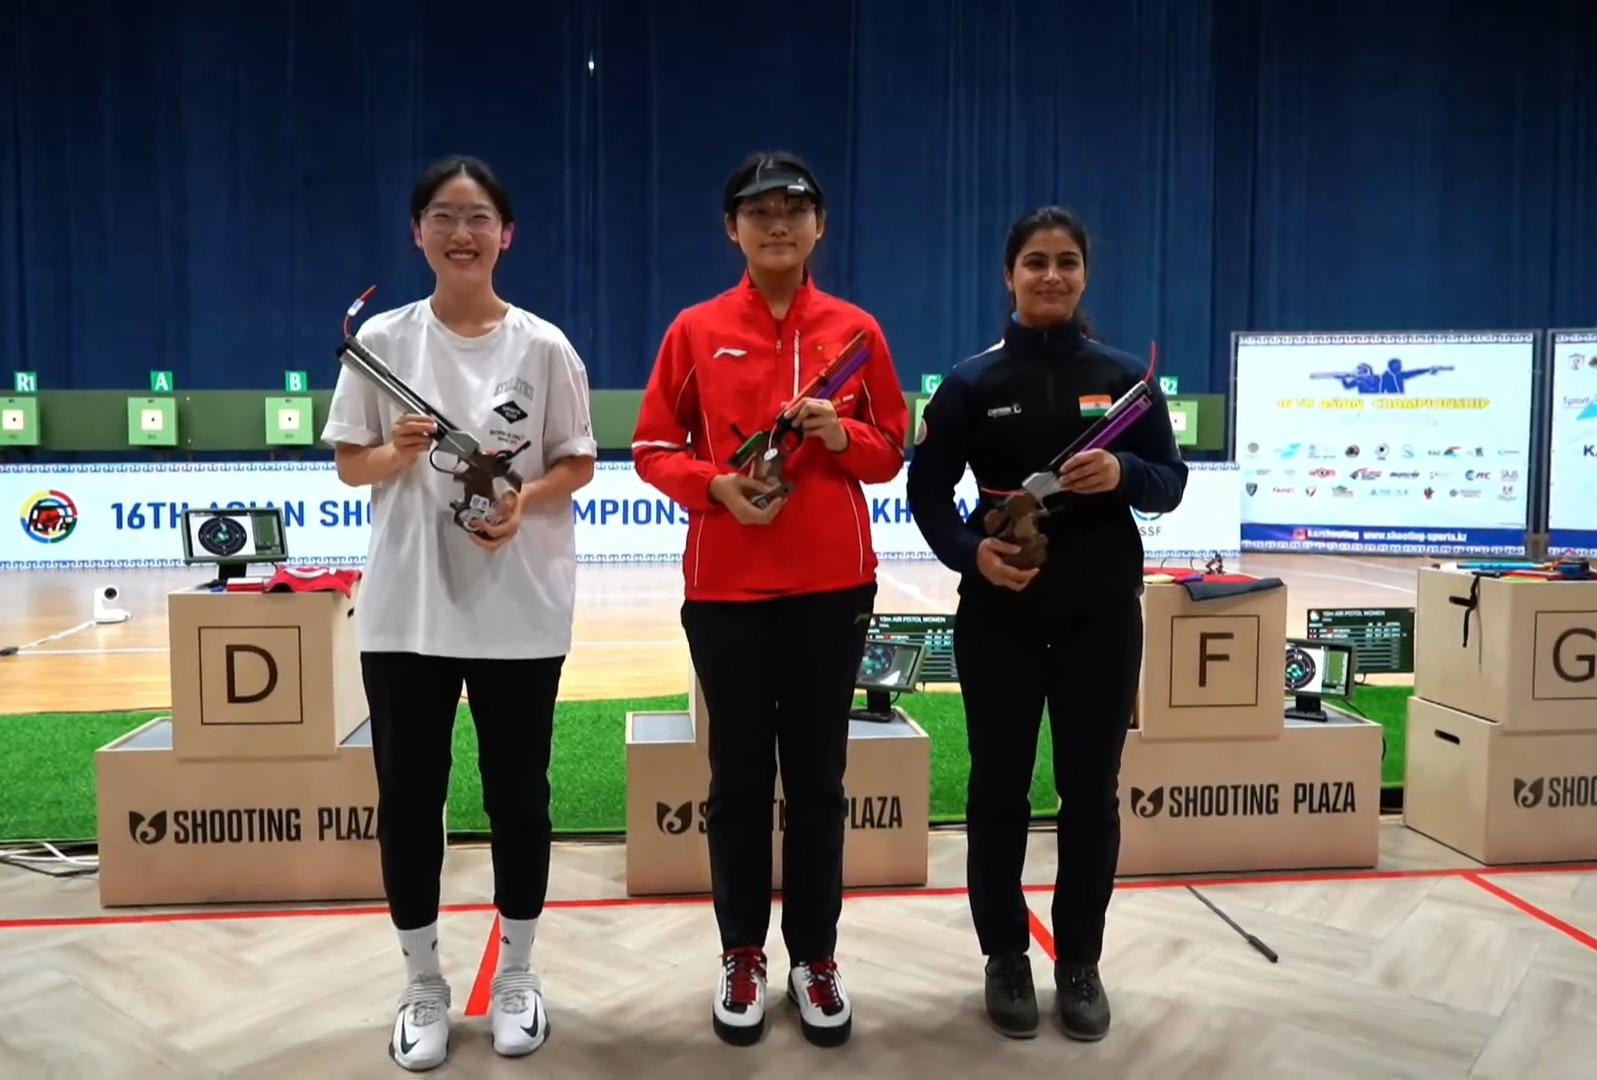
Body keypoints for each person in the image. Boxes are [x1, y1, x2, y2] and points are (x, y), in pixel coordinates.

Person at [321, 155, 597, 1071]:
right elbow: (349, 463)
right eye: (443, 215)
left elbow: (576, 462)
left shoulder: (544, 347)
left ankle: (518, 974)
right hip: (407, 613)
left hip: (519, 609)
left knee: (521, 797)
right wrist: (395, 456)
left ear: (506, 235)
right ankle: (422, 985)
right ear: (418, 233)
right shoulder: (384, 345)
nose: (462, 232)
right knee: (408, 802)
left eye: (479, 217)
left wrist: (524, 502)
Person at [631, 151, 909, 1049]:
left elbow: (889, 452)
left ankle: (816, 957)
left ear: (819, 225)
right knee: (739, 782)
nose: (777, 223)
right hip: (727, 590)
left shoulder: (856, 332)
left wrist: (845, 428)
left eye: (794, 208)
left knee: (820, 782)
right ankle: (742, 952)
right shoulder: (694, 329)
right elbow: (648, 447)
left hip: (832, 587)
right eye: (758, 211)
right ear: (732, 229)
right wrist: (713, 486)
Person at [906, 207, 1187, 1042]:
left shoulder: (1126, 380)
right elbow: (925, 495)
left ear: (1084, 274)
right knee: (997, 794)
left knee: (1089, 797)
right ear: (1009, 275)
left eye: (1066, 262)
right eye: (1035, 262)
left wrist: (1124, 471)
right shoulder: (970, 383)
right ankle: (1005, 958)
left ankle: (1079, 963)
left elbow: (1169, 481)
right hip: (999, 618)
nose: (1051, 276)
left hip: (1102, 618)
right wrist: (970, 556)